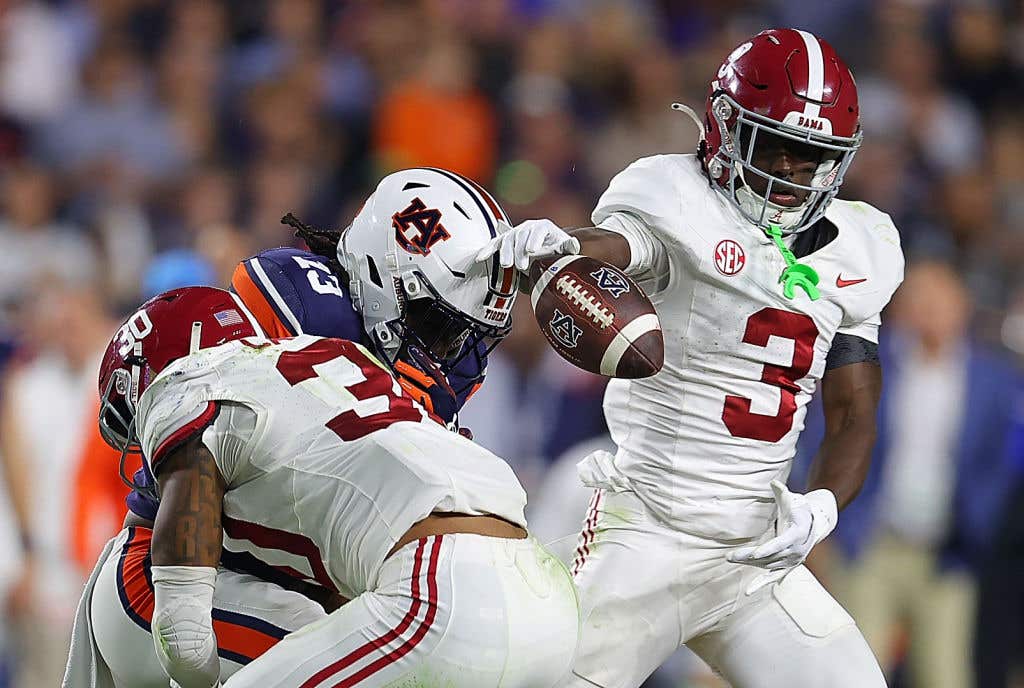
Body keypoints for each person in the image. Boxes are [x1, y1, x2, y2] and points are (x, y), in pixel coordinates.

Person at [477, 28, 903, 688]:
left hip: (754, 555)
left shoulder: (861, 246)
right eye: (779, 145)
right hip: (647, 532)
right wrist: (563, 246)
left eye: (811, 154)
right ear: (725, 128)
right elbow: (619, 247)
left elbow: (854, 413)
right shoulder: (674, 197)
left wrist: (821, 506)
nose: (791, 170)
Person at [64, 168, 522, 686]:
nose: (453, 352)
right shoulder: (299, 308)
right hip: (182, 571)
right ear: (382, 275)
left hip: (277, 585)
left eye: (467, 333)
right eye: (441, 326)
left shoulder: (445, 365)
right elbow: (193, 452)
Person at [96, 285, 578, 688]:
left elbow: (184, 632)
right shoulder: (342, 357)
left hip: (441, 590)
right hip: (548, 600)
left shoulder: (185, 382)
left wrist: (191, 669)